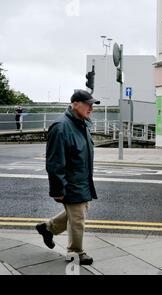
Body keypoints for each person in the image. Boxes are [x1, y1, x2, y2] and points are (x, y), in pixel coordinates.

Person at [36, 90, 100, 265]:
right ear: (75, 104)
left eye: (92, 105)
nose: (91, 108)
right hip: (70, 183)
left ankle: (48, 228)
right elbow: (55, 162)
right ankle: (75, 252)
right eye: (88, 104)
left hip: (82, 180)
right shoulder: (61, 127)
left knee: (78, 212)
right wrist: (58, 189)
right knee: (78, 217)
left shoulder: (81, 124)